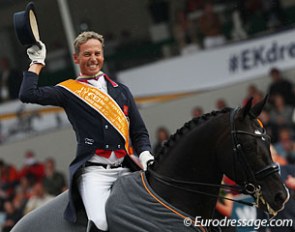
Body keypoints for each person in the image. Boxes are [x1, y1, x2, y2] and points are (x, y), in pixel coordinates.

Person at [19, 31, 153, 232]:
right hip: (95, 173)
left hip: (126, 168)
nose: (93, 59)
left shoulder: (121, 90)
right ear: (76, 58)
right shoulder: (68, 91)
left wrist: (145, 155)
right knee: (100, 222)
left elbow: (139, 132)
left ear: (103, 55)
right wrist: (37, 62)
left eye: (97, 53)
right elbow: (27, 94)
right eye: (87, 54)